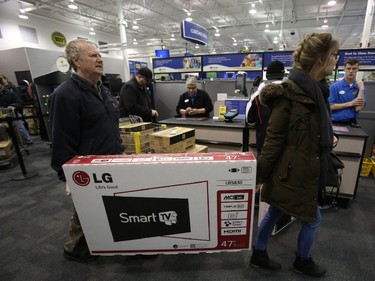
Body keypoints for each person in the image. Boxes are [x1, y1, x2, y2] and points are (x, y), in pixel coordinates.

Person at [250, 32, 340, 277]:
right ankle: (302, 260)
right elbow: (274, 138)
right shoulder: (288, 93)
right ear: (320, 59)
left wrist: (328, 137)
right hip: (292, 173)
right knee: (312, 219)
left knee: (277, 210)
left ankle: (259, 253)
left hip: (304, 169)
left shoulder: (319, 91)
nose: (336, 60)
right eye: (334, 55)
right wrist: (261, 175)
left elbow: (316, 129)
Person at [48, 39, 123, 262]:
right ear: (76, 61)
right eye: (93, 55)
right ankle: (75, 249)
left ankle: (118, 241)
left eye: (100, 55)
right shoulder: (65, 95)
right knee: (87, 210)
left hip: (112, 160)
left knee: (110, 204)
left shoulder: (103, 91)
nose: (100, 59)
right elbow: (61, 139)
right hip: (87, 167)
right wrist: (67, 177)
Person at [246, 60, 285, 157]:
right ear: (283, 75)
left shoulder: (258, 96)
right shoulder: (291, 93)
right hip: (286, 145)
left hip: (264, 143)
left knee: (264, 169)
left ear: (267, 76)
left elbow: (249, 120)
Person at [329, 58, 366, 125]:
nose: (351, 71)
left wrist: (361, 89)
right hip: (335, 122)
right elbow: (330, 107)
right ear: (344, 69)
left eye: (354, 69)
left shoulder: (360, 88)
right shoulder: (334, 87)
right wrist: (351, 103)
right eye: (348, 68)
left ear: (358, 70)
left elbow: (358, 108)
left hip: (352, 123)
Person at [0, 76, 33, 145]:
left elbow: (19, 102)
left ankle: (27, 141)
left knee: (19, 128)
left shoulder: (10, 93)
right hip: (1, 117)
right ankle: (9, 145)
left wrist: (13, 106)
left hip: (13, 114)